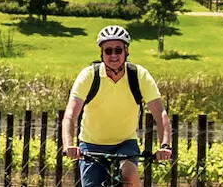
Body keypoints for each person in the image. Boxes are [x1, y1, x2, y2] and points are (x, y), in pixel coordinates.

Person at [61, 26, 171, 187]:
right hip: (91, 145)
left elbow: (160, 113)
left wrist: (165, 145)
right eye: (108, 51)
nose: (113, 55)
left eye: (118, 50)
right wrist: (69, 145)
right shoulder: (89, 76)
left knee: (129, 174)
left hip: (125, 143)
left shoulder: (138, 76)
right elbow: (70, 114)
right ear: (101, 53)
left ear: (126, 51)